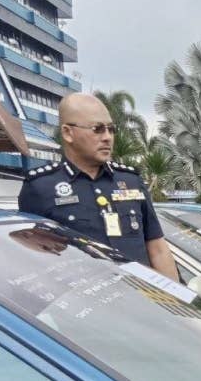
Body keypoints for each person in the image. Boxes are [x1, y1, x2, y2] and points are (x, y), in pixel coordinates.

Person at [18, 93, 178, 280]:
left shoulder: (130, 180)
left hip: (141, 293)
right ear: (68, 133)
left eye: (111, 129)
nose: (107, 137)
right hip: (87, 295)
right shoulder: (40, 188)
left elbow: (157, 248)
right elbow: (34, 260)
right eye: (97, 129)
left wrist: (175, 296)